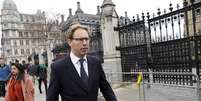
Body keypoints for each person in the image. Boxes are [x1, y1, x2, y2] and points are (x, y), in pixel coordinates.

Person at [46, 24, 117, 101]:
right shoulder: (58, 68)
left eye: (86, 39)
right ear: (70, 42)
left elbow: (106, 89)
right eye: (80, 39)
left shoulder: (95, 63)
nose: (84, 43)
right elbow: (51, 98)